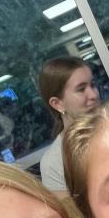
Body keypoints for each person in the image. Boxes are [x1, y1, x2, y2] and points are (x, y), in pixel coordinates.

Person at [37, 56, 100, 193]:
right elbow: (70, 207)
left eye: (93, 85)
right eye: (81, 89)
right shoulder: (54, 162)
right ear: (58, 104)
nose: (93, 95)